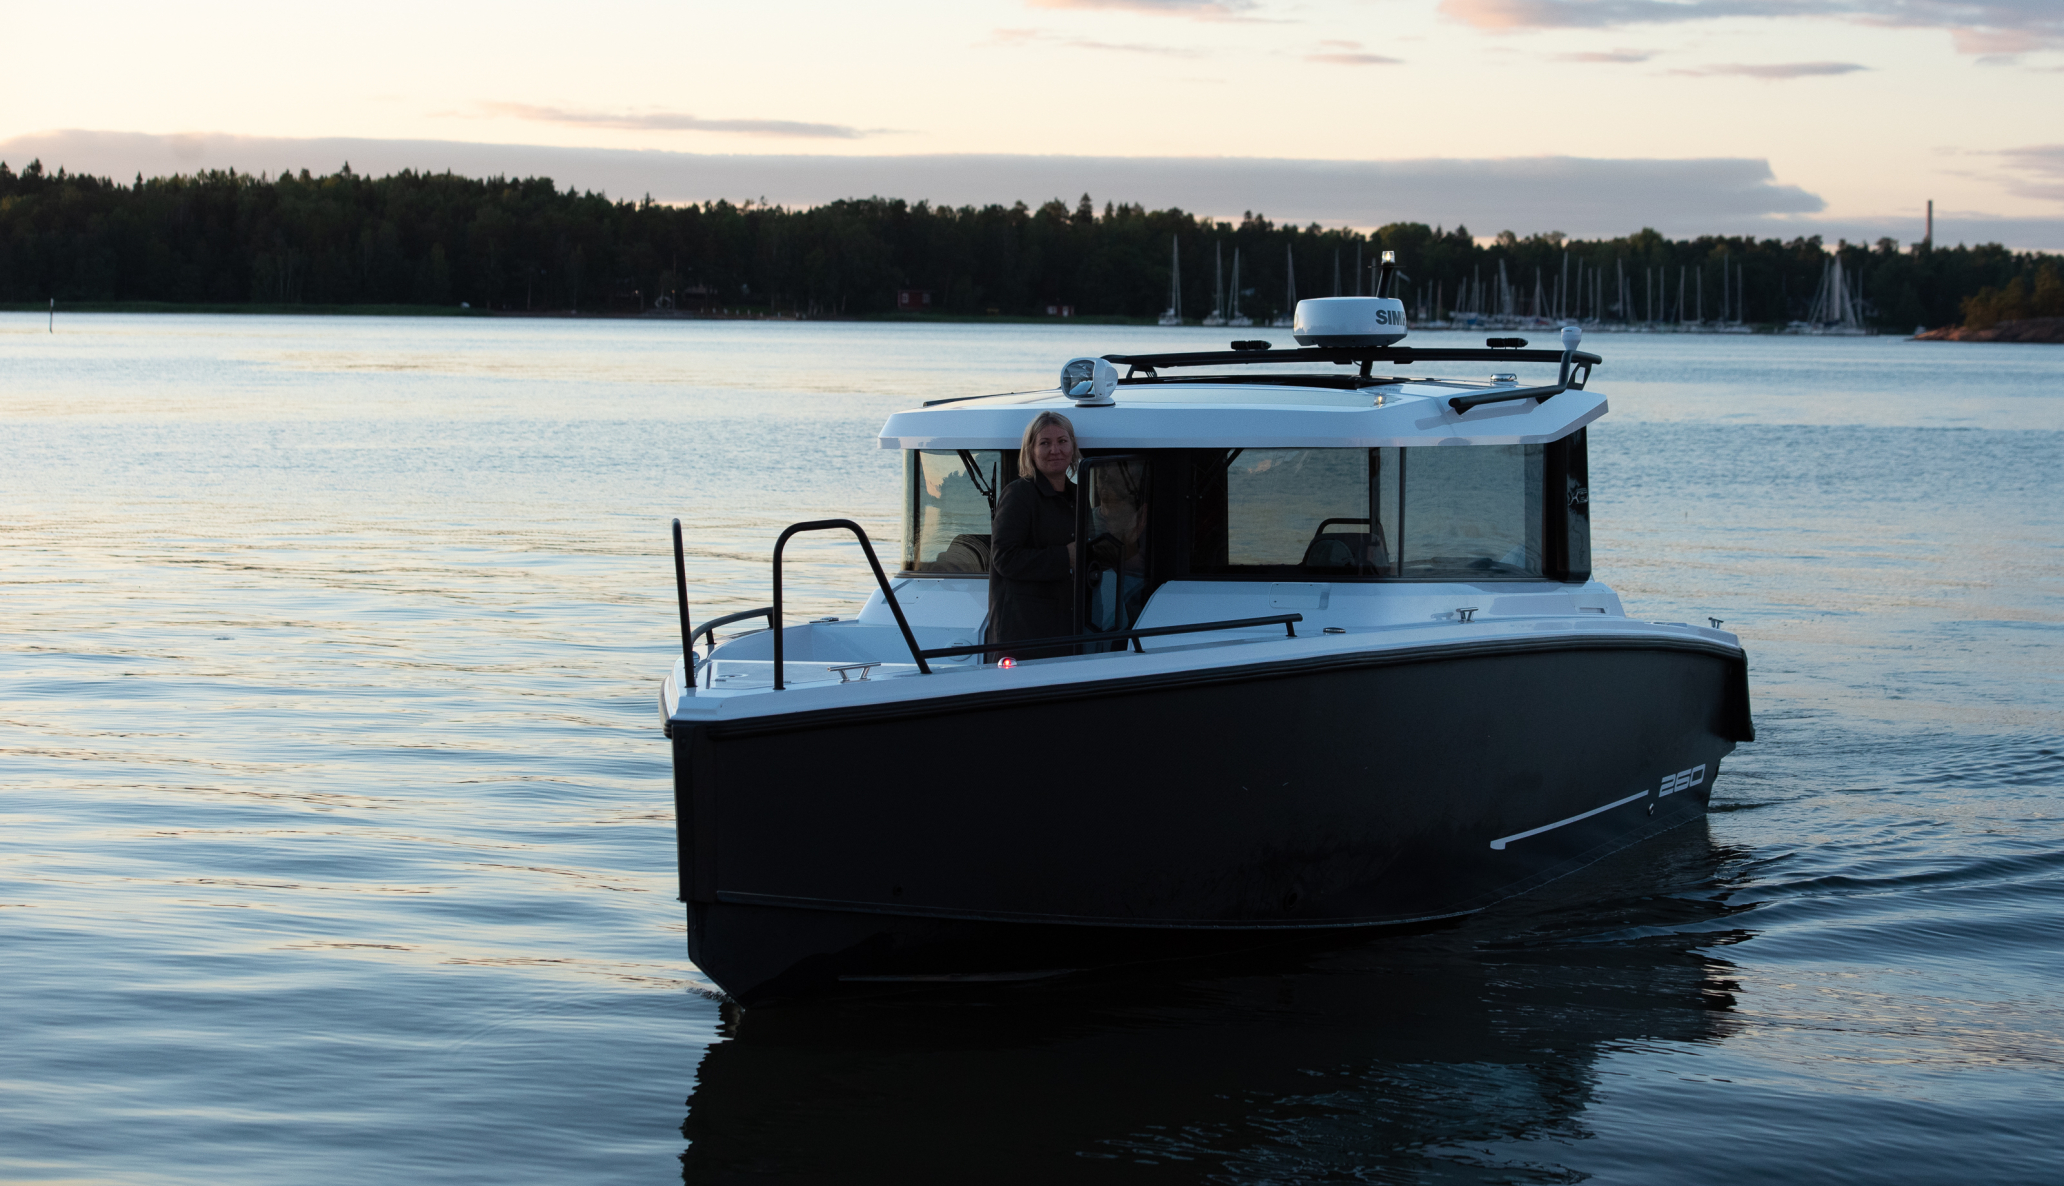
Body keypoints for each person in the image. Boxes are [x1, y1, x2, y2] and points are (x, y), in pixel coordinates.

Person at [986, 411, 1080, 660]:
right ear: (1031, 451)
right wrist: (1065, 557)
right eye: (1044, 443)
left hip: (1069, 628)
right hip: (1023, 635)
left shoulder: (1078, 496)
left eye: (1062, 441)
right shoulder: (1019, 495)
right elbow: (1004, 558)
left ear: (1072, 446)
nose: (1055, 450)